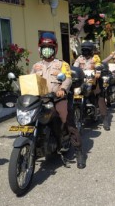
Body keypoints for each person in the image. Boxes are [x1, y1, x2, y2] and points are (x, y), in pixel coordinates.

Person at [31, 32, 86, 168]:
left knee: (66, 119)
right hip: (40, 99)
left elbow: (67, 78)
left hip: (57, 98)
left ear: (55, 49)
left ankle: (79, 151)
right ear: (40, 49)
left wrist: (62, 90)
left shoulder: (62, 64)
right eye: (44, 47)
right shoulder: (36, 66)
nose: (47, 50)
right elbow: (30, 80)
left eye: (49, 47)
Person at [73, 40, 110, 131]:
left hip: (94, 80)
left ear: (91, 50)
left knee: (100, 97)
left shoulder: (95, 58)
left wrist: (97, 72)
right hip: (83, 81)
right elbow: (75, 67)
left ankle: (105, 119)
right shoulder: (79, 58)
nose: (85, 52)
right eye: (84, 50)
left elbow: (98, 66)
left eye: (87, 50)